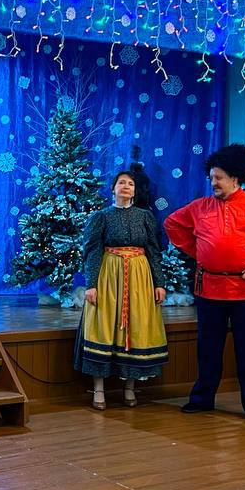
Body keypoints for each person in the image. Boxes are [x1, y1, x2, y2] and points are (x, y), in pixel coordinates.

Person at [165, 143, 245, 425]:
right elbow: (172, 224)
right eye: (211, 177)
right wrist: (200, 252)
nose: (213, 183)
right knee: (208, 349)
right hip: (209, 291)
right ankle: (202, 399)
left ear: (234, 177)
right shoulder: (200, 207)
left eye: (218, 178)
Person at [76, 171, 168, 410]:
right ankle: (99, 389)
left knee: (136, 325)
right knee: (104, 325)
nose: (126, 186)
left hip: (139, 275)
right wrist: (91, 284)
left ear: (135, 190)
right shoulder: (101, 217)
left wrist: (159, 283)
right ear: (113, 188)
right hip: (109, 275)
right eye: (121, 183)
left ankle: (130, 387)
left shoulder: (145, 217)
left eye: (130, 183)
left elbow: (153, 250)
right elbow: (92, 251)